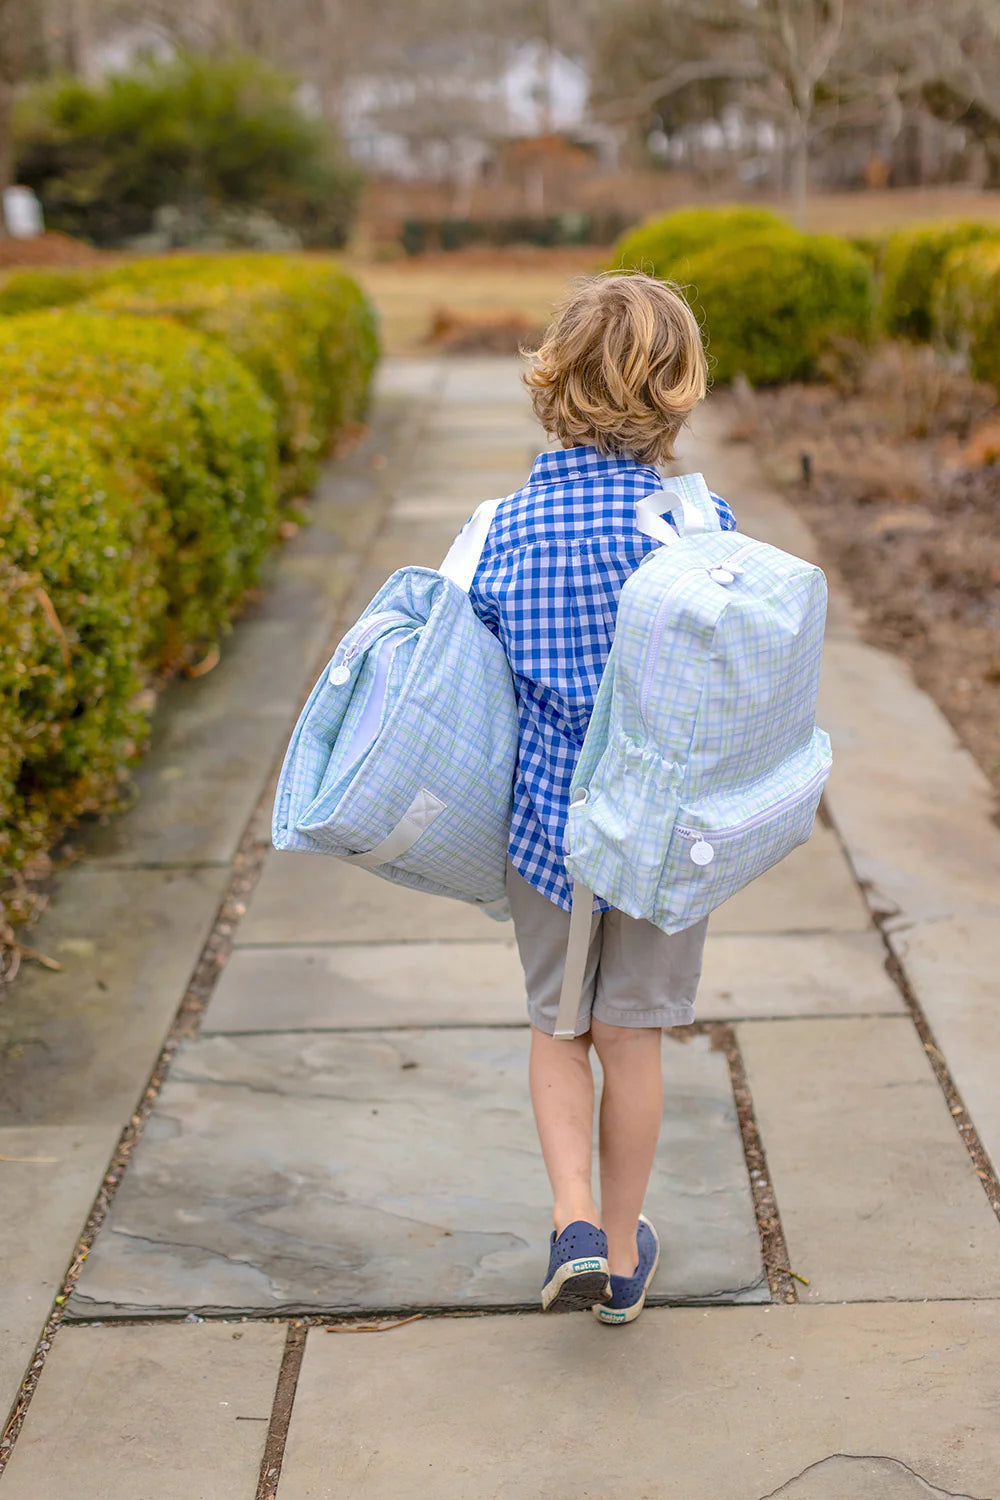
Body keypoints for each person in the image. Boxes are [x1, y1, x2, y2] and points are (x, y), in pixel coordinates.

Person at [467, 272, 736, 1324]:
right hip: (664, 839)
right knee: (633, 1040)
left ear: (551, 381)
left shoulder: (503, 530)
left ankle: (569, 1217)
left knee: (556, 1031)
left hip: (548, 833)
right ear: (676, 391)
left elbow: (480, 685)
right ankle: (622, 1257)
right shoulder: (696, 523)